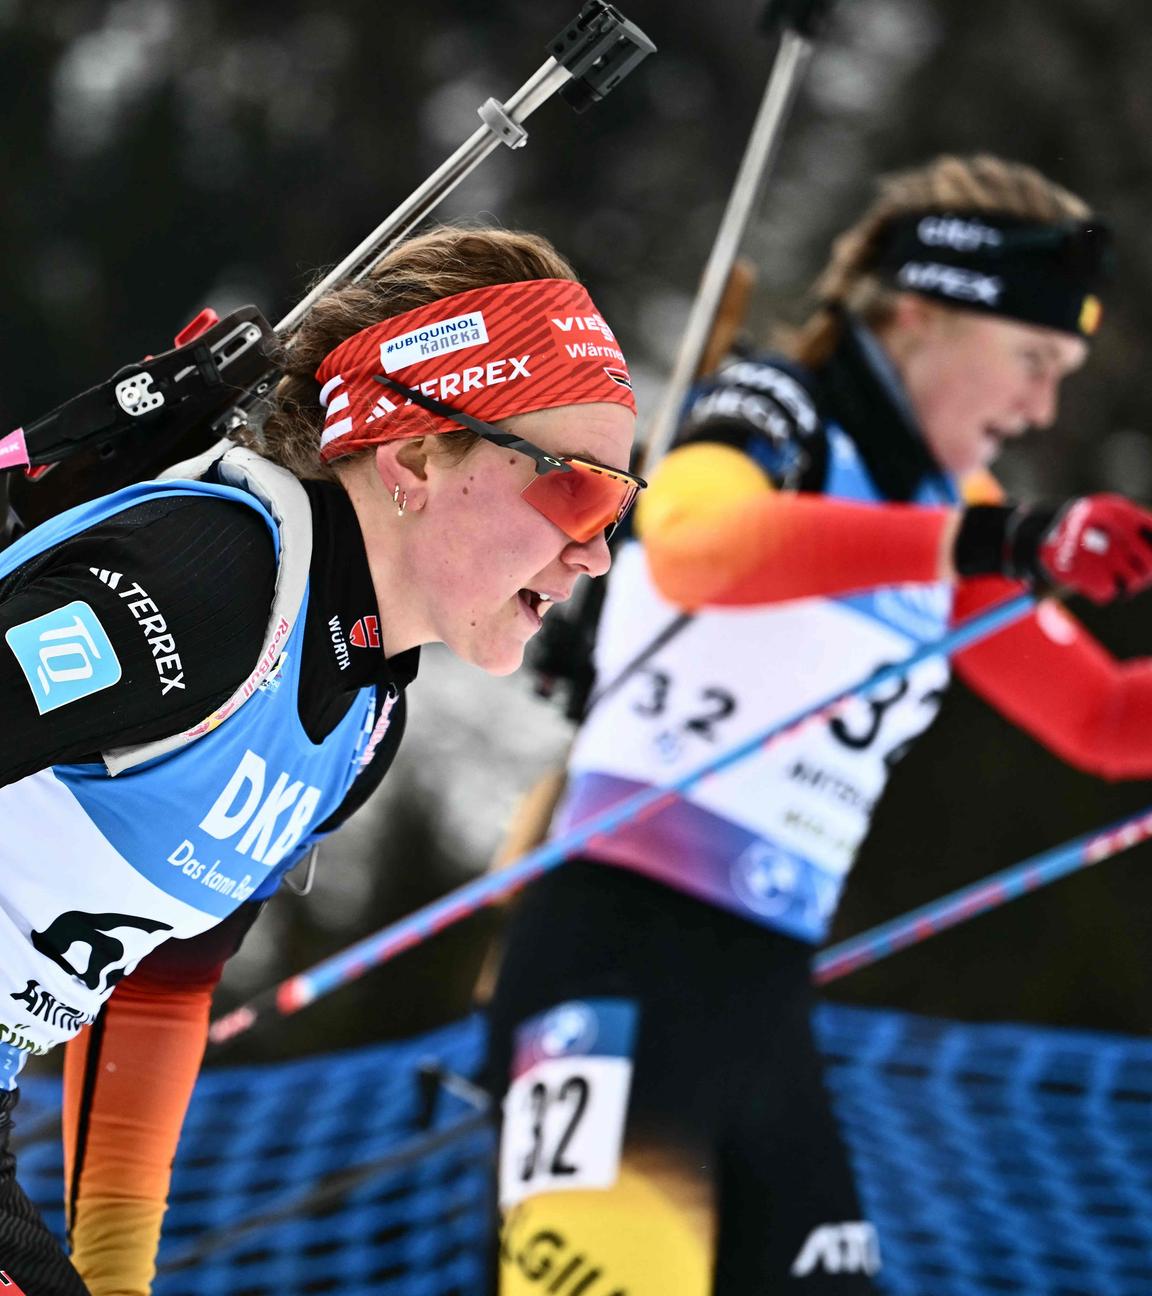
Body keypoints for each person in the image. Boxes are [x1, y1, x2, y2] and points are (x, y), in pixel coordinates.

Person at [485, 155, 1152, 1295]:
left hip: (763, 999)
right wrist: (1002, 545)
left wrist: (993, 542)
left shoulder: (960, 514)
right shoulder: (774, 409)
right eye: (1034, 361)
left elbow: (1099, 716)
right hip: (614, 957)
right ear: (921, 316)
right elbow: (695, 547)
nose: (1042, 408)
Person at [0, 223, 643, 1296]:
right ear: (417, 455)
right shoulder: (205, 589)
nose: (598, 549)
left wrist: (114, 1272)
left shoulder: (359, 721)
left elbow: (161, 983)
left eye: (621, 504)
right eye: (576, 489)